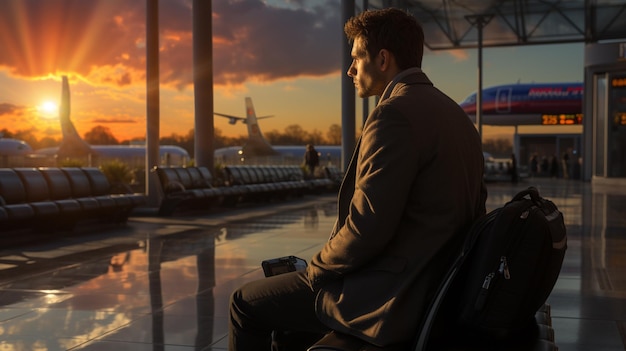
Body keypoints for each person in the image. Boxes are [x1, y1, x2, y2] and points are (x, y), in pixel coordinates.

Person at [228, 8, 487, 350]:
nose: (350, 69)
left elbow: (367, 228)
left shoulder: (393, 114)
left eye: (356, 57)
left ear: (382, 59)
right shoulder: (455, 115)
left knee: (244, 303)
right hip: (440, 289)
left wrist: (317, 268)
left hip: (394, 297)